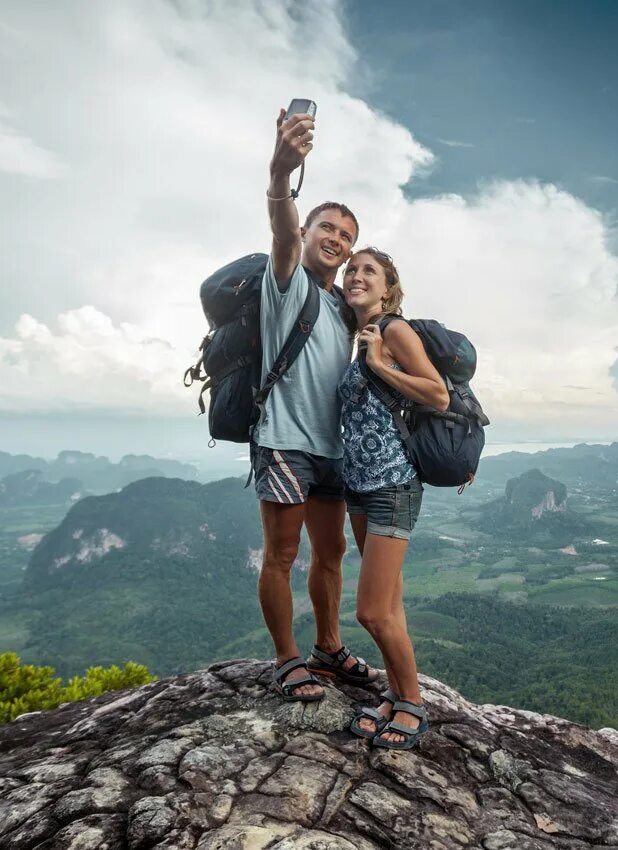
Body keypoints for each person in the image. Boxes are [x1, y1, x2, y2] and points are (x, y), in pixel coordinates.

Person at [258, 107, 377, 702]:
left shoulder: (340, 307)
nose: (337, 240)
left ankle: (328, 648)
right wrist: (282, 173)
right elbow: (280, 227)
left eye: (347, 237)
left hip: (332, 450)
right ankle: (286, 659)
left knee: (330, 554)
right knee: (281, 553)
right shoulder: (287, 282)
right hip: (284, 440)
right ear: (307, 234)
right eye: (327, 228)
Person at [339, 248, 449, 748]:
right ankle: (395, 692)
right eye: (351, 270)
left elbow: (437, 393)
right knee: (392, 605)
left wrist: (380, 364)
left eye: (369, 271)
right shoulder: (353, 336)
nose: (356, 276)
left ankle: (414, 705)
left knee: (371, 612)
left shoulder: (394, 330)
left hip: (393, 485)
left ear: (388, 288)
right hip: (358, 486)